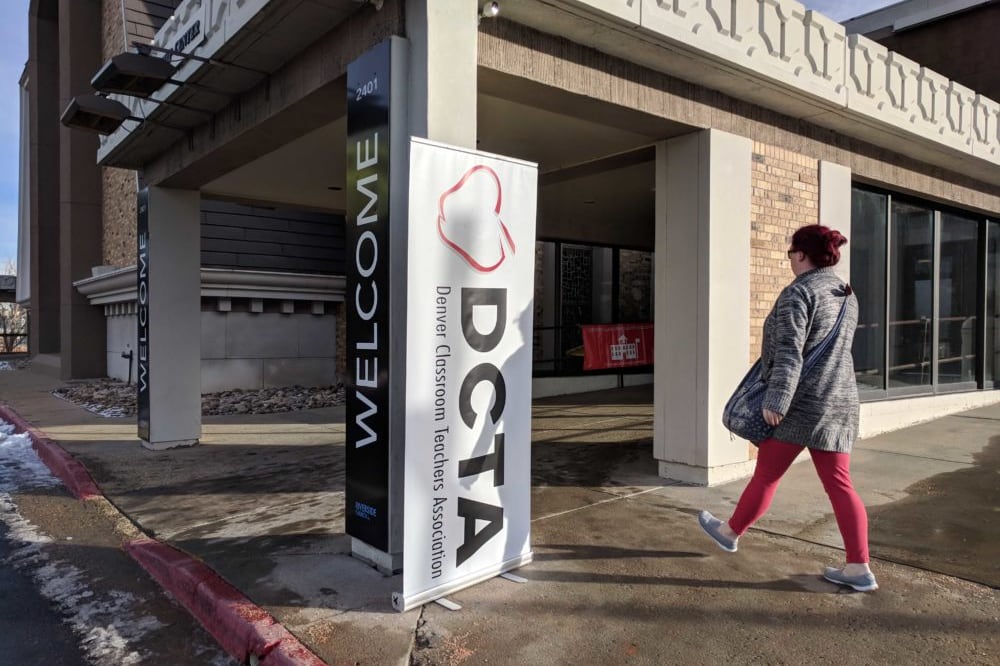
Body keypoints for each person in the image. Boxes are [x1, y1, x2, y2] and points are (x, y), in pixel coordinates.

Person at [698, 224, 877, 592]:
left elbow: (789, 355)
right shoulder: (846, 293)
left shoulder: (799, 294)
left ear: (800, 254)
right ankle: (859, 566)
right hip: (839, 403)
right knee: (841, 486)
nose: (789, 261)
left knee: (767, 475)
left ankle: (730, 532)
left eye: (790, 254)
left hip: (800, 406)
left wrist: (776, 401)